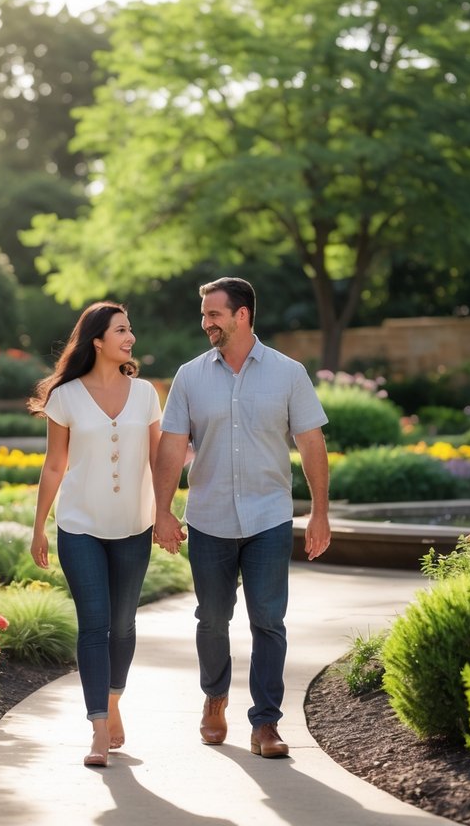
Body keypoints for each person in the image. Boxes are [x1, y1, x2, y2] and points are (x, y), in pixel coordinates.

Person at [152, 276, 331, 759]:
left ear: (242, 315)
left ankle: (266, 724)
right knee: (211, 619)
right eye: (205, 314)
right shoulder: (190, 376)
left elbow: (312, 443)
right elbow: (171, 447)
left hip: (269, 517)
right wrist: (162, 510)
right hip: (208, 517)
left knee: (268, 621)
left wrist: (319, 513)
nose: (205, 322)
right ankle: (215, 697)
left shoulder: (289, 373)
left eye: (214, 314)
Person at [28, 301, 163, 769]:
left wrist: (165, 512)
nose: (130, 337)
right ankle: (99, 728)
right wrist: (40, 525)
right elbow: (54, 464)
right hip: (79, 525)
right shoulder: (65, 397)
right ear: (98, 340)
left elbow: (158, 460)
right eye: (120, 330)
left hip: (133, 525)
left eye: (131, 328)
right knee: (94, 624)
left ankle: (114, 699)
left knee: (123, 624)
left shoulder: (145, 393)